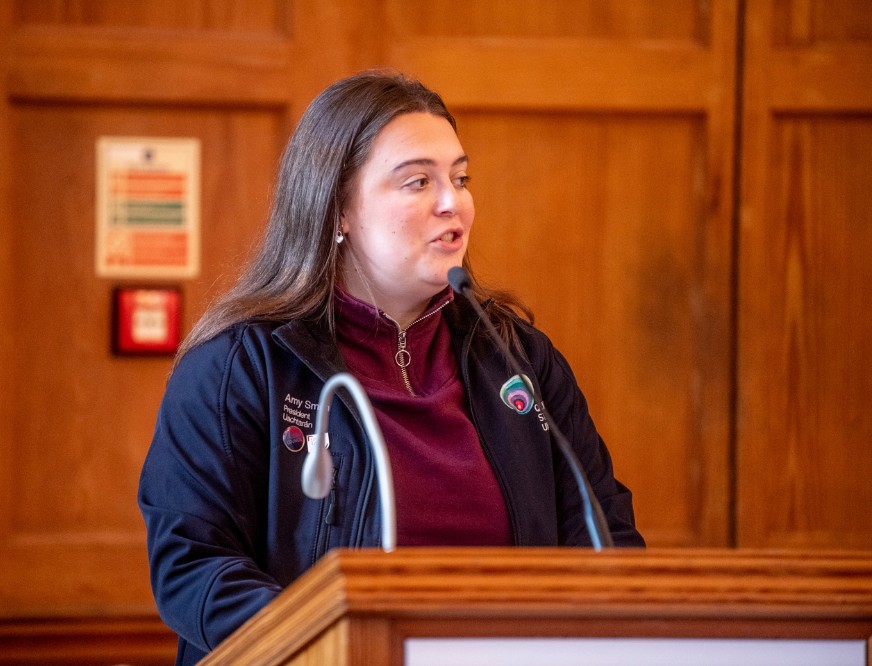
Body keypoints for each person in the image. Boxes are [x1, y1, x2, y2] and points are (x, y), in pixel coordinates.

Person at [138, 70, 643, 664]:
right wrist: (345, 650)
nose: (453, 202)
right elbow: (193, 565)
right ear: (337, 211)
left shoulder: (520, 360)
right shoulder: (240, 366)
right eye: (417, 182)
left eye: (460, 177)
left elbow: (604, 537)